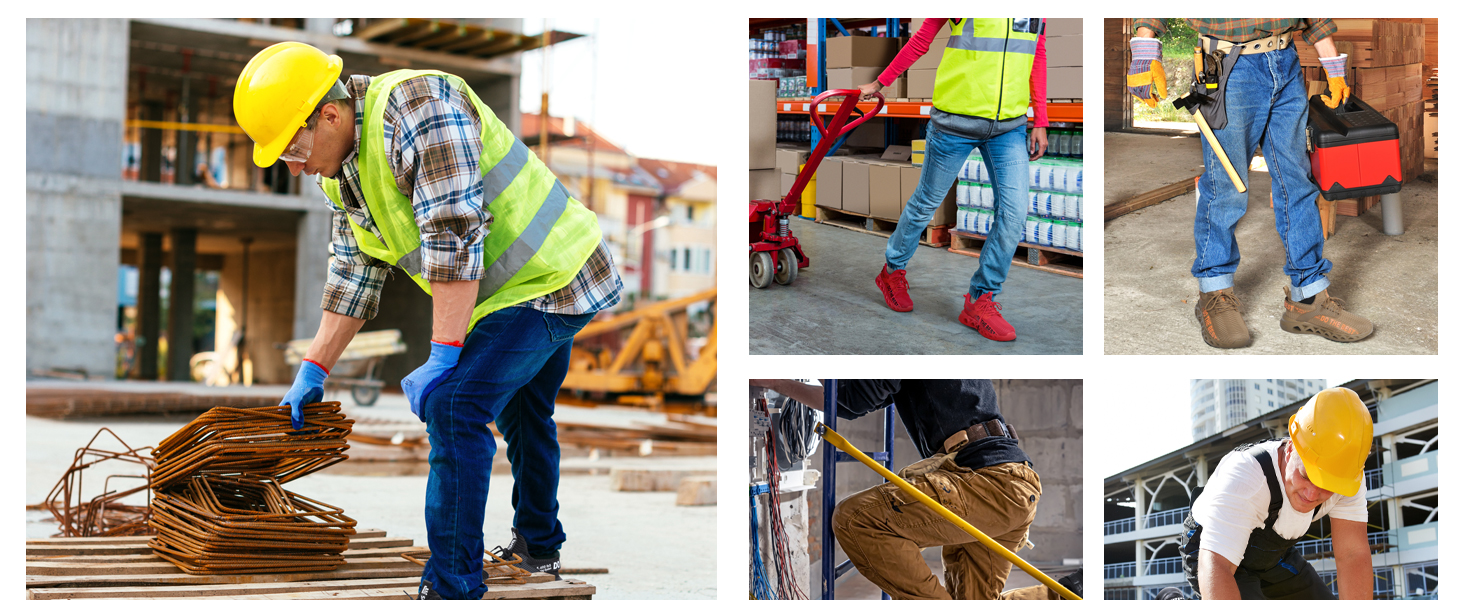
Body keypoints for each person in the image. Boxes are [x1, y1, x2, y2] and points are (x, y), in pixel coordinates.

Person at [233, 42, 621, 600]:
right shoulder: (339, 172)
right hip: (502, 296)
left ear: (331, 115)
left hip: (555, 278)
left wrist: (443, 356)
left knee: (454, 404)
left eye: (292, 148)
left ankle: (452, 586)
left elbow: (454, 234)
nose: (293, 166)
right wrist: (314, 368)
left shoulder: (419, 109)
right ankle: (539, 549)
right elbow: (354, 272)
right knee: (525, 414)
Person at [1128, 20, 1373, 349]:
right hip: (1231, 67)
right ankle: (1215, 292)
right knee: (1225, 187)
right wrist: (1144, 49)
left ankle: (1308, 297)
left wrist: (1331, 63)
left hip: (1285, 61)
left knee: (1297, 183)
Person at [751, 379, 1080, 600]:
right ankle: (1060, 592)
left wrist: (777, 381)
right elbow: (853, 398)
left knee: (857, 520)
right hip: (1013, 482)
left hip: (985, 479)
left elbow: (846, 400)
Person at [858, 19, 1050, 342]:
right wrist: (880, 82)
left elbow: (1037, 53)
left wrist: (1041, 119)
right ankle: (892, 271)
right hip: (953, 124)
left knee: (1015, 212)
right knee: (926, 203)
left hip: (1008, 127)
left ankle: (980, 299)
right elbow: (922, 39)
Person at [1161, 388, 1373, 600]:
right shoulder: (1246, 478)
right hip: (1211, 550)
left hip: (1271, 557)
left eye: (1327, 486)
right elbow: (1217, 564)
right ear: (1290, 449)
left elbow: (1352, 555)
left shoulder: (1344, 477)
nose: (1312, 493)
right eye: (1306, 476)